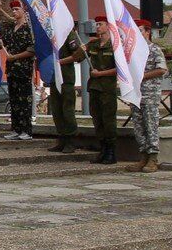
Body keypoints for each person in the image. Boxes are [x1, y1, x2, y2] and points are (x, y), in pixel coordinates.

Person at [128, 19, 168, 173]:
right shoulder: (133, 51)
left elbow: (161, 69)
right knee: (138, 126)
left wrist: (142, 76)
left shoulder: (154, 49)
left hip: (150, 93)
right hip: (136, 93)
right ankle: (143, 155)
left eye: (140, 31)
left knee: (150, 125)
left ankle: (153, 157)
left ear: (147, 32)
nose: (138, 34)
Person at [0, 0, 36, 140]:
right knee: (14, 100)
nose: (14, 12)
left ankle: (27, 130)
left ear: (23, 10)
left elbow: (31, 50)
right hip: (12, 69)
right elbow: (3, 45)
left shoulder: (28, 29)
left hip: (24, 69)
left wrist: (15, 57)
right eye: (12, 10)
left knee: (24, 100)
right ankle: (16, 128)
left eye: (16, 9)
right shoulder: (11, 28)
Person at [85, 17, 119, 164]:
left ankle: (111, 151)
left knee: (108, 120)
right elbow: (79, 55)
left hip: (107, 88)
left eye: (100, 24)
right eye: (96, 24)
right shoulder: (93, 44)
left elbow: (119, 69)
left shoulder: (115, 46)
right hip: (94, 87)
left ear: (108, 26)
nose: (97, 27)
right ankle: (103, 149)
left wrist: (101, 74)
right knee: (97, 120)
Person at [47, 35, 84, 152]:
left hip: (66, 78)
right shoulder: (50, 33)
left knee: (67, 110)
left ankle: (70, 140)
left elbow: (78, 55)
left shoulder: (67, 33)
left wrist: (59, 62)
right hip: (53, 78)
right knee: (56, 111)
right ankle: (61, 138)